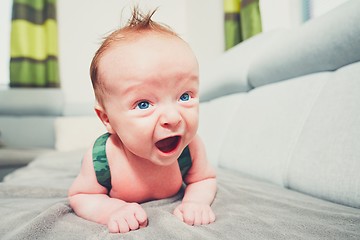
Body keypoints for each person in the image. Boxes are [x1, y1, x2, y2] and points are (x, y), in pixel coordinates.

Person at [68, 7, 217, 234]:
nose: (172, 118)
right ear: (107, 119)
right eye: (144, 104)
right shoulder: (103, 157)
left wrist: (196, 202)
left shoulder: (190, 147)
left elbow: (204, 179)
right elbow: (81, 195)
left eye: (184, 96)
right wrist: (112, 210)